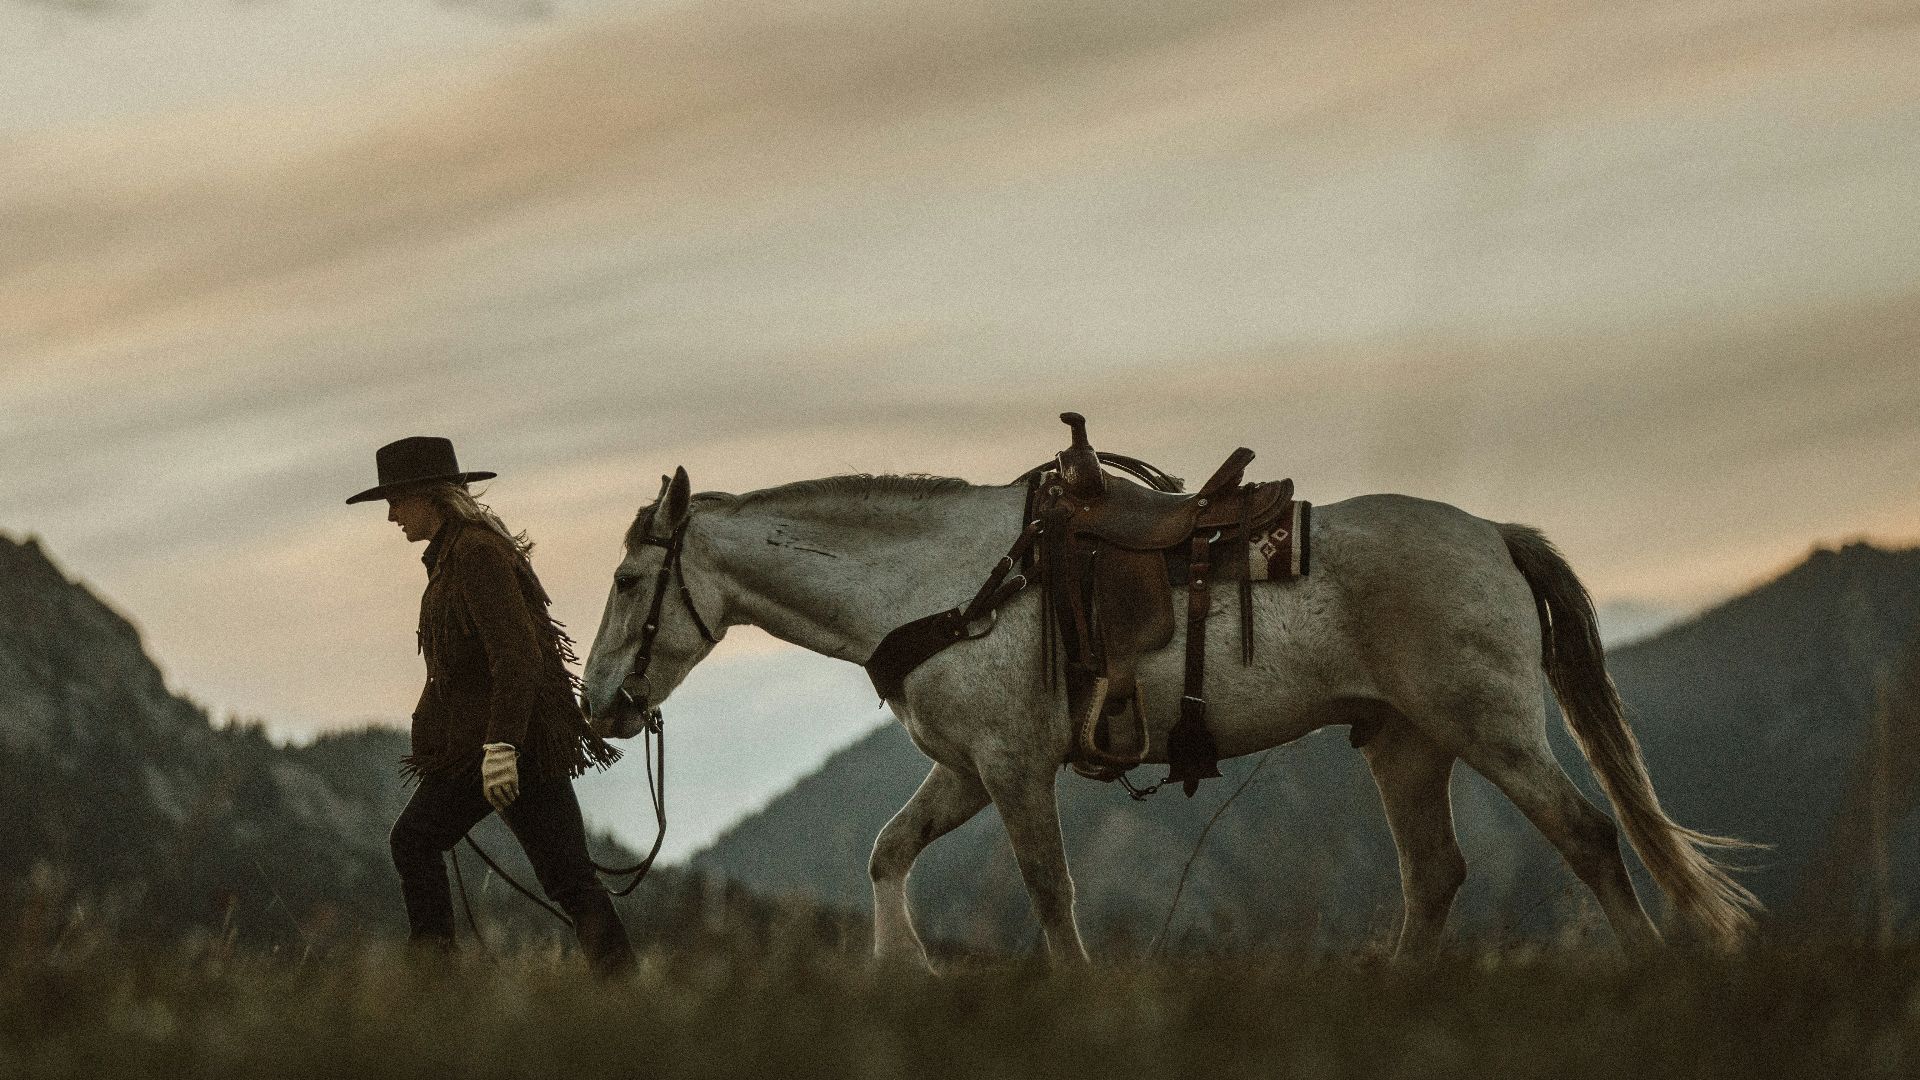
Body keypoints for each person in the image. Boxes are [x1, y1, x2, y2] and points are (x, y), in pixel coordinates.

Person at [345, 435, 633, 974]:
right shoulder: (460, 551)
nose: (389, 516)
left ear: (426, 496)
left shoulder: (474, 553)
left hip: (502, 745)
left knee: (414, 842)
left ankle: (436, 985)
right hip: (521, 742)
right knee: (571, 881)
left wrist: (501, 746)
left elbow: (517, 653)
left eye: (393, 501)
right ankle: (625, 988)